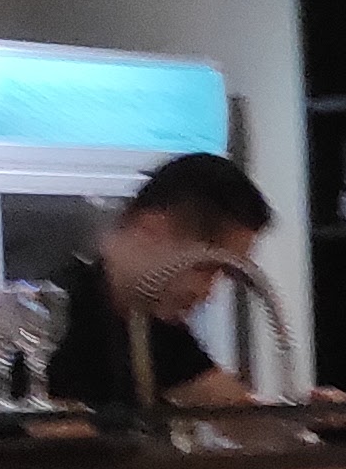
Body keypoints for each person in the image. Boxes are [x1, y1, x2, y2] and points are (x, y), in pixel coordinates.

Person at [42, 151, 294, 415]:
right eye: (204, 268)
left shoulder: (160, 331)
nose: (207, 293)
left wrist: (314, 417)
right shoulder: (55, 312)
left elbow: (241, 419)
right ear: (149, 229)